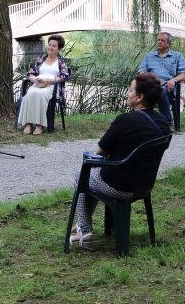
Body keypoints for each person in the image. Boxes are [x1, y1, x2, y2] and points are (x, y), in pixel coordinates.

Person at [70, 72, 170, 247]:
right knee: (91, 177)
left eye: (130, 90)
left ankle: (84, 231)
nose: (127, 93)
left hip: (119, 187)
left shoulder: (125, 120)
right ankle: (81, 225)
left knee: (82, 175)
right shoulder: (162, 120)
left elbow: (99, 151)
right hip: (144, 186)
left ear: (140, 97)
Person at [18, 34, 69, 135]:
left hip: (52, 86)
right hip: (38, 83)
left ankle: (39, 125)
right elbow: (31, 73)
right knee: (30, 93)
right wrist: (37, 82)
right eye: (49, 45)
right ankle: (28, 124)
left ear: (59, 49)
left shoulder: (61, 61)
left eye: (54, 46)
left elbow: (64, 75)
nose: (50, 48)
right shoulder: (41, 59)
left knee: (41, 95)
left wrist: (48, 81)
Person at [138, 32, 185, 132]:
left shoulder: (177, 56)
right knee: (138, 91)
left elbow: (183, 74)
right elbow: (141, 72)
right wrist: (147, 79)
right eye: (158, 40)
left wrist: (173, 80)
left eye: (162, 40)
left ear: (169, 44)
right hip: (151, 86)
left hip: (169, 86)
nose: (159, 42)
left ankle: (167, 122)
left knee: (162, 90)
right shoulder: (149, 56)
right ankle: (140, 122)